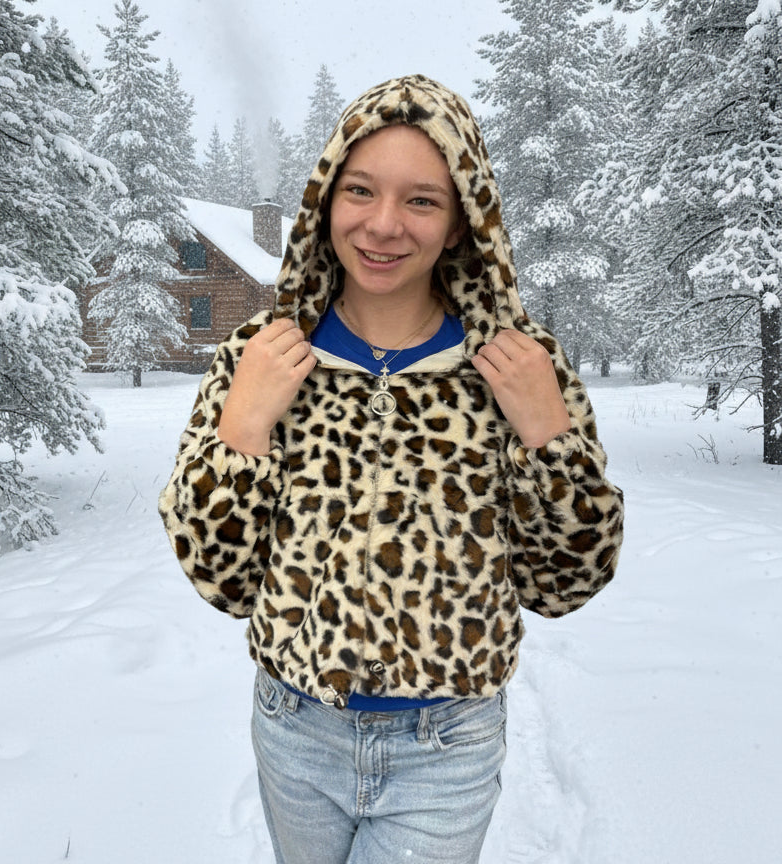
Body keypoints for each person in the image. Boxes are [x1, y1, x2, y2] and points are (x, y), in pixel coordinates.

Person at [159, 74, 624, 864]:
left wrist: (548, 438)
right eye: (361, 190)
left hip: (447, 745)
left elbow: (564, 585)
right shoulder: (261, 357)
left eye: (421, 201)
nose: (383, 225)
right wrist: (244, 430)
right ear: (324, 200)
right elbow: (222, 582)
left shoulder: (518, 364)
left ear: (460, 221)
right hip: (296, 731)